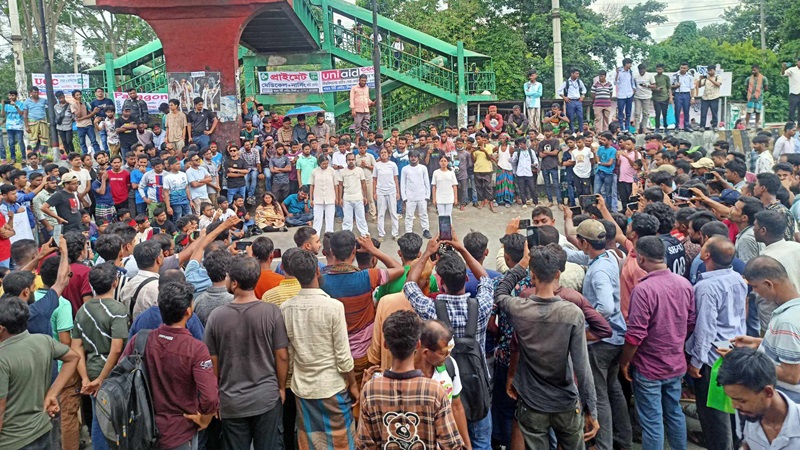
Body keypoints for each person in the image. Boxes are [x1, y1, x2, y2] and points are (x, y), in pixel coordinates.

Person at [496, 243, 599, 450]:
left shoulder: (519, 308)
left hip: (532, 402)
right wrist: (592, 411)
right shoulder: (572, 313)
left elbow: (500, 292)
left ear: (532, 276)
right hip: (566, 402)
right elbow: (583, 368)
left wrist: (520, 266)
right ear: (558, 274)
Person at [404, 232, 494, 449]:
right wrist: (463, 249)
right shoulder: (480, 306)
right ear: (465, 278)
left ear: (440, 281)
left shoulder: (430, 309)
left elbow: (410, 285)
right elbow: (485, 279)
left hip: (444, 390)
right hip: (477, 386)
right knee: (481, 441)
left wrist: (427, 253)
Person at [122, 281, 219, 450]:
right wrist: (205, 418)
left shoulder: (140, 340)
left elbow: (121, 375)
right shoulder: (196, 349)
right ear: (188, 311)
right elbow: (210, 396)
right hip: (180, 432)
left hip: (142, 428)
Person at [280, 249, 360, 448]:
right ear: (318, 271)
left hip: (303, 390)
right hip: (332, 387)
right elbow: (343, 356)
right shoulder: (334, 307)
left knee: (310, 443)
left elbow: (288, 354)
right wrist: (352, 384)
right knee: (342, 442)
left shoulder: (286, 308)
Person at [356, 311, 467, 449]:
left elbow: (364, 444)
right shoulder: (434, 391)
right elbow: (452, 445)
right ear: (418, 345)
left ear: (386, 344)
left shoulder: (370, 390)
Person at [683, 236, 746, 450]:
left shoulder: (706, 286)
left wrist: (696, 362)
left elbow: (705, 328)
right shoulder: (738, 278)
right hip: (735, 351)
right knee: (732, 410)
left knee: (714, 418)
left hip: (712, 359)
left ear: (707, 255)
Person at [575, 219, 632, 450]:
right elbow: (581, 257)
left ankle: (604, 444)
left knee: (599, 396)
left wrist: (592, 326)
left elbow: (606, 307)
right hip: (617, 336)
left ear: (585, 243)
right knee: (614, 389)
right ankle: (624, 439)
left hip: (603, 341)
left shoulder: (598, 272)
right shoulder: (609, 256)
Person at [321, 232, 403, 383]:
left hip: (335, 353)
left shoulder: (321, 280)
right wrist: (373, 250)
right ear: (354, 251)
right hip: (363, 352)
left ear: (331, 251)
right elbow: (399, 269)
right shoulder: (366, 277)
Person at [0, 296, 80, 450]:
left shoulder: (2, 358)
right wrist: (52, 393)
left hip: (12, 441)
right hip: (42, 430)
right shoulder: (44, 341)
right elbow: (73, 357)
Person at [70, 262, 127, 450]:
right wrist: (102, 378)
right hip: (112, 374)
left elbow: (76, 346)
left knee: (98, 418)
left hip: (91, 371)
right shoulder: (118, 310)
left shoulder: (82, 311)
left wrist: (86, 378)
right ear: (115, 283)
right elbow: (117, 348)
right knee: (116, 420)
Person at [734, 256, 800, 402]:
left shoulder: (786, 322)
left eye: (755, 287)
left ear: (768, 284)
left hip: (786, 402)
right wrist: (758, 343)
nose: (756, 293)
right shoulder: (794, 310)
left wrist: (747, 361)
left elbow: (792, 375)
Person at [717, 347, 800, 450]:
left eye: (742, 400)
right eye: (732, 399)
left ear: (768, 392)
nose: (734, 405)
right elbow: (746, 444)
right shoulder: (745, 413)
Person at [337, 152, 369, 236]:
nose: (351, 161)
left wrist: (365, 196)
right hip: (347, 198)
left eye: (352, 159)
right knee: (347, 219)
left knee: (361, 218)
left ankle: (364, 234)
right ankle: (347, 236)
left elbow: (363, 183)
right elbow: (340, 185)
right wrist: (340, 198)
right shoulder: (342, 171)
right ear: (346, 161)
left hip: (358, 198)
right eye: (349, 160)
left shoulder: (360, 170)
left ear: (355, 160)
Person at [401, 150, 431, 238]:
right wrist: (404, 197)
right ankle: (408, 232)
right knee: (409, 215)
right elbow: (403, 183)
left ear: (418, 158)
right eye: (411, 156)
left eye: (415, 156)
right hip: (410, 196)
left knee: (423, 214)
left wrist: (427, 195)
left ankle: (426, 230)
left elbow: (426, 182)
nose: (413, 158)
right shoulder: (405, 169)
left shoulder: (423, 168)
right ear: (409, 158)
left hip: (421, 195)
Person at [373, 148, 400, 241]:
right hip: (380, 191)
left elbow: (396, 178)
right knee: (380, 213)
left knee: (393, 212)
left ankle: (395, 233)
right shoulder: (376, 165)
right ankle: (381, 234)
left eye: (385, 152)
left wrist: (398, 192)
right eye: (381, 152)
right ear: (379, 154)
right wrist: (374, 192)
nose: (383, 154)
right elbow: (374, 179)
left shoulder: (393, 165)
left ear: (388, 154)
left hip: (391, 191)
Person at [310, 154, 337, 234]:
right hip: (318, 198)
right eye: (323, 164)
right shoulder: (314, 171)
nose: (325, 165)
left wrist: (337, 197)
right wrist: (311, 199)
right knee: (317, 218)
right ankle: (316, 235)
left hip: (330, 197)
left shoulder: (332, 171)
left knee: (330, 218)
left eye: (326, 163)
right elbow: (312, 185)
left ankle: (329, 236)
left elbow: (336, 184)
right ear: (319, 163)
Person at [560, 68, 587, 133]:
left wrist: (582, 96)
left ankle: (581, 131)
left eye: (578, 74)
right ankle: (572, 132)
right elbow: (559, 90)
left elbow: (584, 89)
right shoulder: (566, 82)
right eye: (576, 74)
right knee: (570, 118)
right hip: (570, 101)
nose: (578, 75)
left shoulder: (579, 81)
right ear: (572, 74)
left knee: (580, 116)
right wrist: (564, 97)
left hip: (578, 101)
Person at [671, 62, 696, 132]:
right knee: (677, 111)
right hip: (678, 94)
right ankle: (677, 126)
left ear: (687, 68)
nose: (682, 69)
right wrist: (675, 85)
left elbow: (692, 88)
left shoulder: (690, 76)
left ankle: (686, 126)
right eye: (681, 68)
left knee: (686, 111)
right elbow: (670, 86)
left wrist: (693, 97)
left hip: (686, 94)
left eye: (684, 68)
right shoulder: (675, 75)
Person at [22, 87, 49, 152]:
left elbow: (52, 104)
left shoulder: (43, 100)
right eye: (34, 92)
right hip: (32, 123)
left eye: (37, 92)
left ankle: (43, 157)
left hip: (43, 122)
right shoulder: (27, 101)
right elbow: (25, 114)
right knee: (33, 141)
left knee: (44, 140)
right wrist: (27, 126)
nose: (36, 94)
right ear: (31, 93)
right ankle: (33, 156)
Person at [2, 90, 26, 161]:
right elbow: (3, 115)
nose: (11, 97)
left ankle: (23, 158)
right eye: (9, 95)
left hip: (19, 126)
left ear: (16, 96)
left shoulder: (21, 104)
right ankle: (13, 158)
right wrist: (3, 106)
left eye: (12, 95)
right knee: (11, 142)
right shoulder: (7, 105)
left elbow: (21, 113)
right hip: (9, 126)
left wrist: (15, 106)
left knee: (20, 141)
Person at [697, 65, 722, 130]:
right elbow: (699, 86)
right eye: (708, 71)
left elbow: (718, 84)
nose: (709, 72)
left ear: (714, 70)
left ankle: (714, 126)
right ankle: (702, 126)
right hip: (705, 98)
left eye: (711, 70)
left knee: (714, 113)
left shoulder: (718, 77)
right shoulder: (706, 78)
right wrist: (700, 79)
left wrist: (710, 79)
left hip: (714, 97)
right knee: (703, 113)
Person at [633, 63, 656, 133]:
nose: (641, 72)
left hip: (647, 96)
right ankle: (636, 129)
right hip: (637, 96)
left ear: (645, 70)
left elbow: (654, 86)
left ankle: (644, 128)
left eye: (643, 70)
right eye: (640, 70)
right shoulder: (635, 76)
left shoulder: (650, 76)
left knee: (645, 113)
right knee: (637, 113)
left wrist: (647, 85)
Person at [615, 58, 637, 131]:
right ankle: (621, 128)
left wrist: (633, 90)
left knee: (628, 112)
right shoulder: (619, 72)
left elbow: (632, 82)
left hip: (629, 94)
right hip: (621, 95)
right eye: (629, 63)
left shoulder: (630, 72)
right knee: (620, 113)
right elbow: (616, 83)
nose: (630, 65)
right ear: (626, 64)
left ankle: (627, 128)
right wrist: (617, 73)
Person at [745, 64, 768, 130]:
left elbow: (766, 88)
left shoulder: (763, 78)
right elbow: (746, 87)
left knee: (758, 111)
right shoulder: (748, 78)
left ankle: (757, 124)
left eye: (754, 70)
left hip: (759, 98)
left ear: (758, 70)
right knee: (749, 111)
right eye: (752, 70)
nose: (753, 71)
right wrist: (750, 92)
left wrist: (759, 92)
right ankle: (747, 124)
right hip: (750, 98)